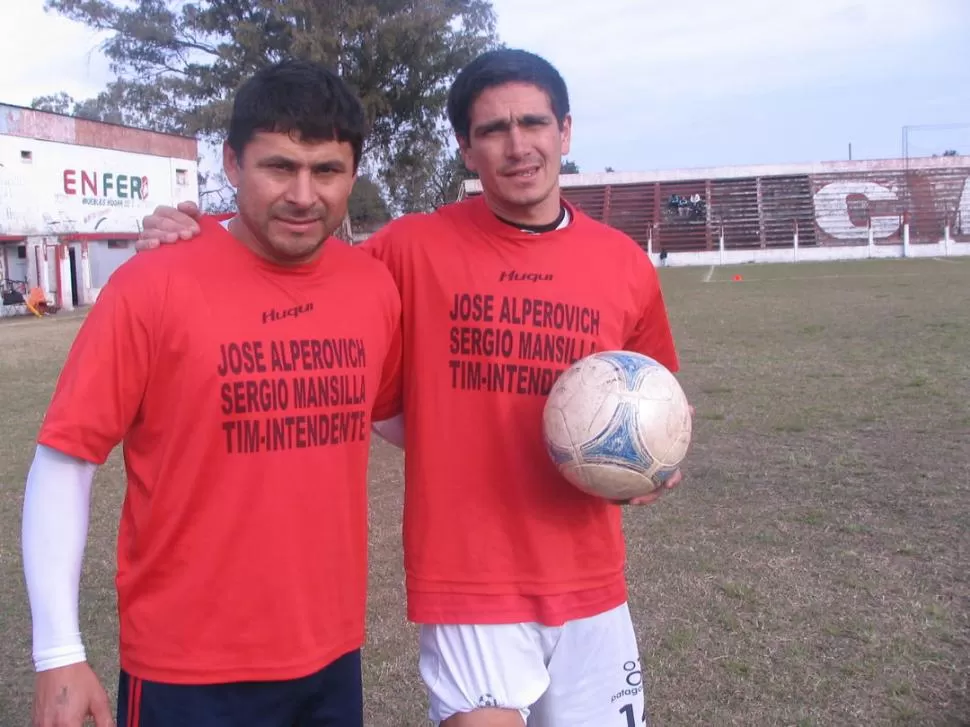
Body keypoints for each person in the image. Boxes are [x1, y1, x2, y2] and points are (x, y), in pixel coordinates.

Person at [137, 48, 688, 727]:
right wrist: (199, 230)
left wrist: (652, 465)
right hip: (470, 582)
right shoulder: (409, 248)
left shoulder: (623, 264)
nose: (517, 146)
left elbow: (654, 398)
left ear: (565, 132)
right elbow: (292, 251)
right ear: (464, 147)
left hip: (592, 581)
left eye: (534, 123)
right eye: (492, 130)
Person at [21, 59, 403, 727]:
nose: (304, 194)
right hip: (186, 668)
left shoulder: (371, 287)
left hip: (331, 657)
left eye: (327, 170)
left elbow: (396, 419)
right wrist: (58, 650)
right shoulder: (152, 285)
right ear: (231, 163)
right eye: (279, 166)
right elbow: (65, 458)